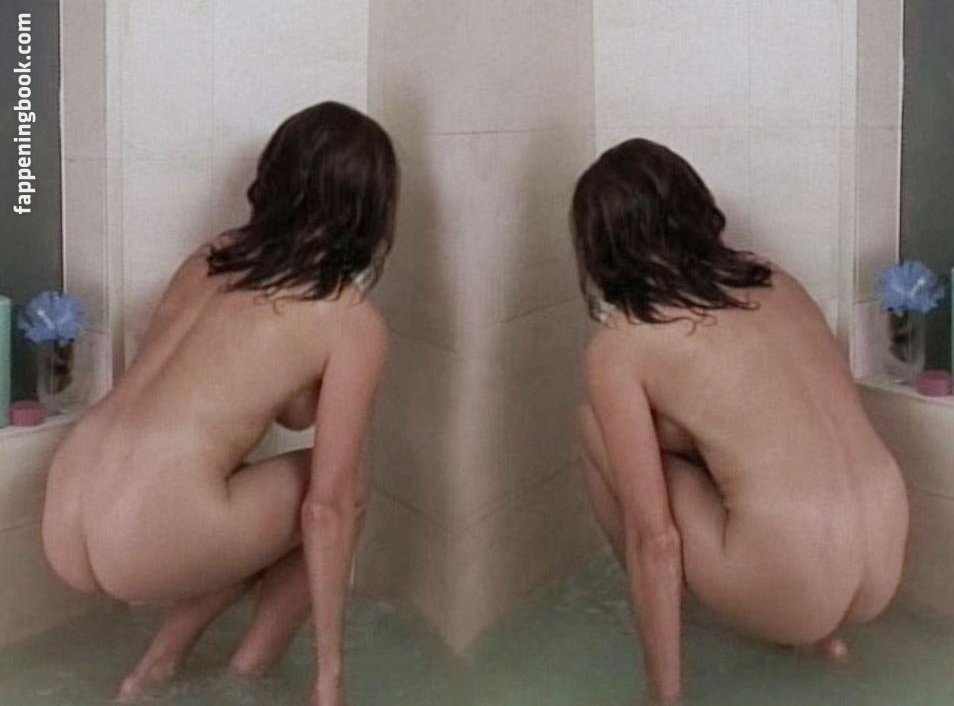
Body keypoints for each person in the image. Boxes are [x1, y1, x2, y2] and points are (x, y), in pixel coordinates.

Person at [41, 101, 398, 706]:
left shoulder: (209, 258)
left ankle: (154, 669)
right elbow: (328, 508)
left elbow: (266, 405)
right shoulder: (349, 320)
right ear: (369, 209)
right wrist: (330, 677)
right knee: (346, 488)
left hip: (67, 509)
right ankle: (247, 677)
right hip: (148, 535)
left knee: (243, 492)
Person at [571, 138, 908, 705]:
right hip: (884, 556)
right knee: (723, 441)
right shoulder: (774, 278)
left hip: (789, 581)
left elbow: (656, 540)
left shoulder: (622, 346)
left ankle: (688, 628)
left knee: (594, 427)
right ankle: (823, 638)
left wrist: (662, 698)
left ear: (602, 246)